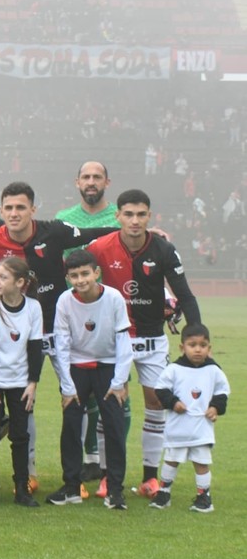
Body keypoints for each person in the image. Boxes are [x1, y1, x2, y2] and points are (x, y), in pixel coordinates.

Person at [0, 182, 118, 493]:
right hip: (24, 336)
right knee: (25, 402)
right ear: (1, 211)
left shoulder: (52, 231)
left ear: (32, 210)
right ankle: (29, 474)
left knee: (74, 399)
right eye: (9, 208)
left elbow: (93, 235)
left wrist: (142, 233)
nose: (14, 213)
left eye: (21, 207)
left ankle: (74, 477)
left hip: (62, 330)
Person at [87, 189, 201, 500]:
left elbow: (185, 294)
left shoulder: (163, 249)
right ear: (118, 216)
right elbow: (78, 279)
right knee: (109, 407)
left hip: (152, 340)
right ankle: (108, 478)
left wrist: (195, 332)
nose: (135, 220)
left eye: (141, 214)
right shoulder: (100, 247)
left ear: (149, 216)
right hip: (114, 339)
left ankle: (150, 478)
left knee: (156, 405)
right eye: (128, 214)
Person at [54, 161, 126, 486]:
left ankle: (109, 472)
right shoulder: (63, 220)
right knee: (78, 399)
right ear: (77, 181)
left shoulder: (120, 217)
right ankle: (87, 462)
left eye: (98, 177)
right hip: (75, 314)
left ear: (107, 182)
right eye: (86, 176)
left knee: (115, 398)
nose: (92, 181)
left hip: (113, 312)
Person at [47, 250, 132, 510]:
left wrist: (119, 381)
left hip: (107, 368)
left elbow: (122, 341)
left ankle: (115, 491)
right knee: (71, 427)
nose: (81, 280)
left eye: (85, 273)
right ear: (68, 277)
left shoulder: (114, 297)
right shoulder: (64, 301)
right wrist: (66, 385)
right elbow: (61, 344)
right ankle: (72, 487)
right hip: (77, 367)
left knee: (115, 428)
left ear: (96, 273)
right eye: (74, 275)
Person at [0, 257, 43, 508]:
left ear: (21, 282)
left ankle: (22, 491)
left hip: (21, 384)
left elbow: (36, 348)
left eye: (4, 277)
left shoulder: (34, 308)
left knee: (20, 436)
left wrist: (32, 383)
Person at [150, 324, 229, 513]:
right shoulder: (174, 369)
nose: (198, 349)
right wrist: (173, 402)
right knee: (171, 460)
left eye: (203, 345)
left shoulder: (213, 370)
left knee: (202, 463)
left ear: (209, 348)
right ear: (182, 347)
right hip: (178, 427)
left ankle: (204, 497)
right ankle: (164, 492)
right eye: (192, 345)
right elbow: (161, 389)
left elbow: (222, 391)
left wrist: (215, 407)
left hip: (201, 427)